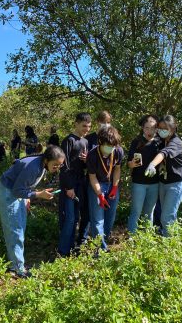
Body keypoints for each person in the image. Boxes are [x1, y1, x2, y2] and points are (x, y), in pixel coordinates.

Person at [0, 146, 65, 277]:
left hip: (18, 194)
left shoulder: (41, 164)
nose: (57, 168)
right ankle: (18, 270)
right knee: (15, 230)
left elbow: (25, 185)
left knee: (19, 228)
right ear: (47, 159)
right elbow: (17, 190)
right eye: (55, 165)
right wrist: (38, 194)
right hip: (8, 193)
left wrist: (28, 197)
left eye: (60, 165)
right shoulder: (33, 167)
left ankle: (15, 264)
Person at [145, 115, 182, 236]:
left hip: (177, 183)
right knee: (167, 215)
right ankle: (169, 242)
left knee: (166, 217)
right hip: (163, 182)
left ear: (173, 129)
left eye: (165, 128)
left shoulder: (176, 142)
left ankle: (170, 246)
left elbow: (164, 153)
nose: (161, 130)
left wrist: (152, 164)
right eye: (160, 128)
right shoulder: (162, 140)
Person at [58, 113, 91, 256]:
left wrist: (86, 161)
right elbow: (63, 165)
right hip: (69, 184)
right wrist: (69, 186)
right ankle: (63, 251)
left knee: (78, 217)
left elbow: (84, 166)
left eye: (89, 126)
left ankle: (73, 247)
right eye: (84, 126)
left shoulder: (85, 142)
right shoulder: (68, 140)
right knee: (69, 217)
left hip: (81, 182)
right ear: (76, 123)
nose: (86, 129)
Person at [78, 110, 112, 246]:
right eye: (103, 122)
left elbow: (115, 161)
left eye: (108, 122)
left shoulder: (111, 137)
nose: (105, 125)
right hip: (92, 179)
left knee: (106, 213)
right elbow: (84, 159)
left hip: (108, 180)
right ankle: (85, 239)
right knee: (89, 212)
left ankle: (102, 239)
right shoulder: (89, 139)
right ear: (97, 122)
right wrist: (87, 159)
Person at [86, 125, 123, 251]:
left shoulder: (118, 151)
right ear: (100, 142)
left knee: (110, 217)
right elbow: (92, 177)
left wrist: (114, 187)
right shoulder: (92, 155)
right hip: (96, 186)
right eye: (108, 145)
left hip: (112, 184)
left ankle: (104, 242)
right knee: (97, 219)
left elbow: (117, 169)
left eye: (113, 146)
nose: (110, 148)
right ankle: (100, 249)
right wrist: (100, 195)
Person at [126, 115, 161, 234]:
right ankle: (132, 236)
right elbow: (129, 163)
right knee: (136, 210)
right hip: (138, 182)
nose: (149, 131)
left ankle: (147, 237)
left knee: (149, 211)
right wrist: (132, 164)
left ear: (157, 128)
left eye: (153, 128)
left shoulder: (159, 142)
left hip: (154, 183)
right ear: (142, 127)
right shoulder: (136, 141)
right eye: (147, 128)